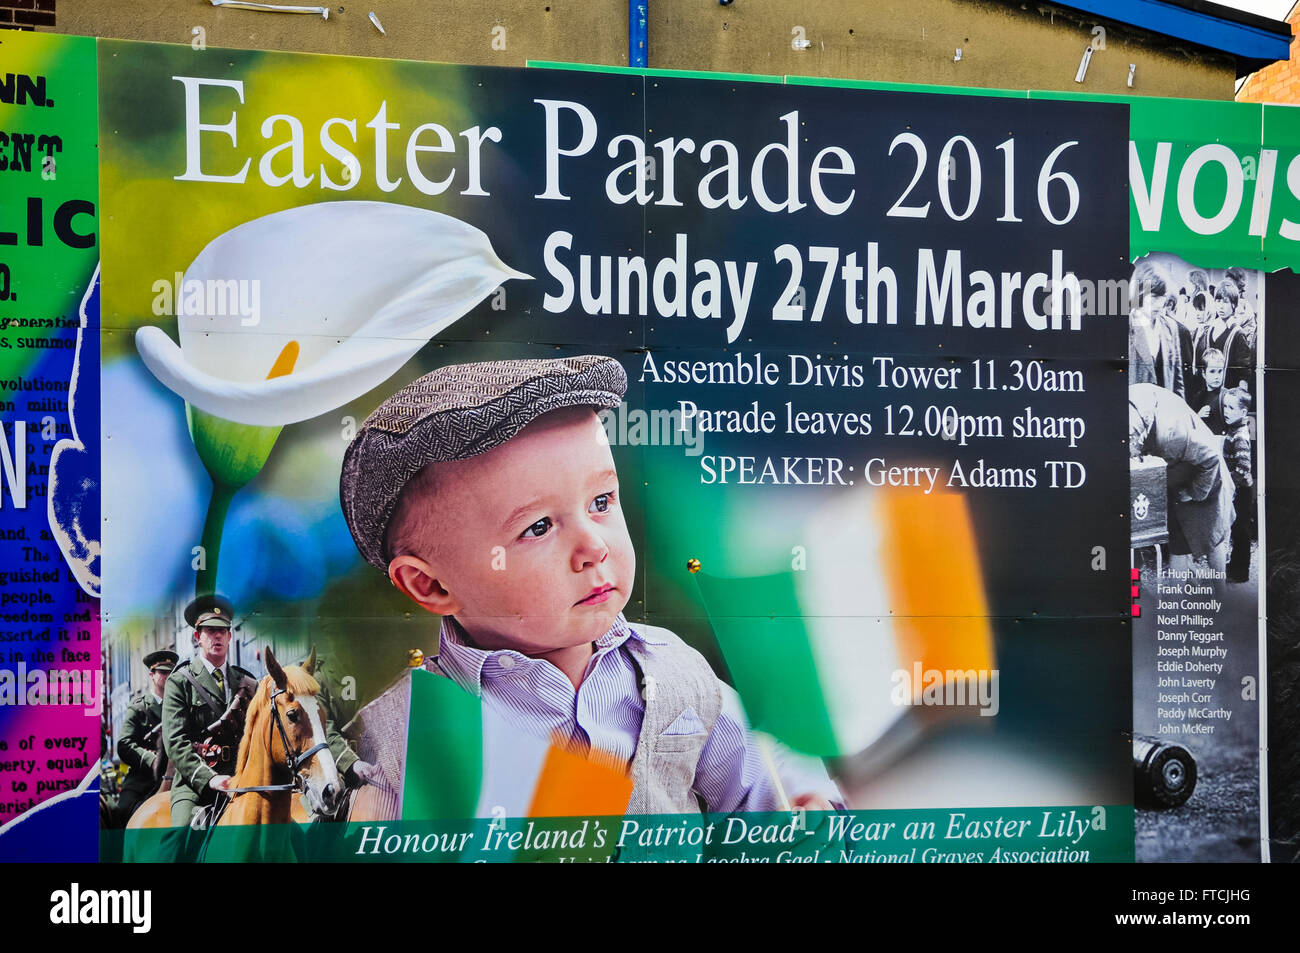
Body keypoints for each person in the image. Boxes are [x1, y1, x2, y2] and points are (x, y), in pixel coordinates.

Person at [339, 355, 841, 815]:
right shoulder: (403, 736)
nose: (594, 547)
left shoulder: (675, 671)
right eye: (538, 527)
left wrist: (806, 810)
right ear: (429, 586)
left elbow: (765, 784)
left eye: (601, 502)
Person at [161, 596, 256, 827]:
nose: (217, 636)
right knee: (180, 837)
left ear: (230, 635)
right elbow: (175, 742)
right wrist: (210, 779)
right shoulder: (179, 682)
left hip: (242, 779)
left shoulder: (247, 682)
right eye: (211, 630)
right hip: (197, 784)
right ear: (197, 636)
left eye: (223, 630)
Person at [1129, 383, 1234, 574]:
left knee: (1212, 537)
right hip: (1178, 477)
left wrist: (1195, 493)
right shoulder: (1129, 409)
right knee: (1179, 542)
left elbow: (1211, 457)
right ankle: (1180, 594)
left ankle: (1221, 597)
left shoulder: (1170, 433)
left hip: (1206, 476)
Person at [114, 649, 177, 825]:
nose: (167, 676)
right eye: (163, 672)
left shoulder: (180, 706)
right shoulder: (139, 708)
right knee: (121, 813)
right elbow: (124, 744)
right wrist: (153, 760)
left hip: (178, 775)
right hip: (144, 780)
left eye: (171, 672)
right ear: (152, 674)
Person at [1128, 261, 1189, 399]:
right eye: (1154, 297)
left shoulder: (1171, 327)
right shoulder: (1126, 326)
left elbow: (1178, 382)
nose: (1160, 304)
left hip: (1165, 412)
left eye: (1163, 297)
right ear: (1140, 293)